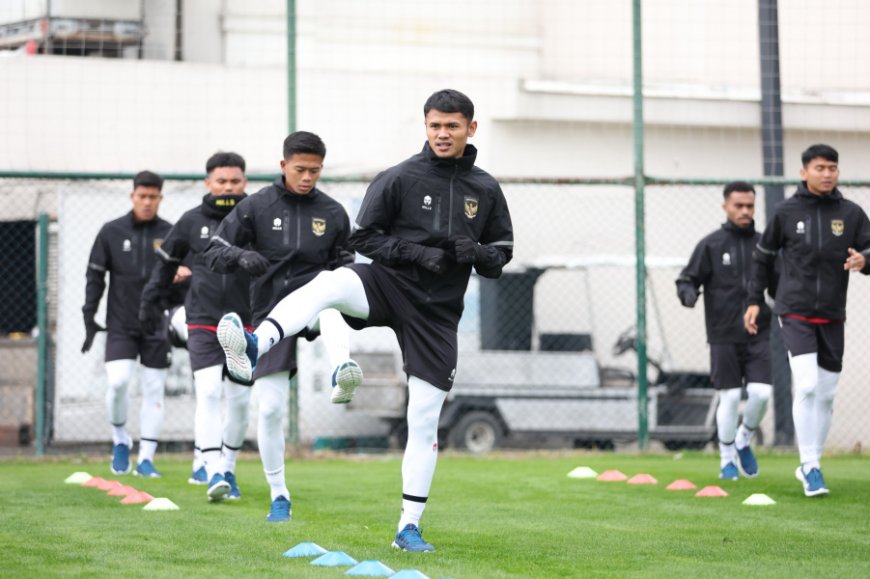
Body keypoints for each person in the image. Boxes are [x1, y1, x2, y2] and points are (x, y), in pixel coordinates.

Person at [214, 89, 514, 551]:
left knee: (424, 418)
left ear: (471, 129)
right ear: (425, 126)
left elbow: (501, 256)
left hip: (437, 315)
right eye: (435, 124)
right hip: (388, 286)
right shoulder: (399, 178)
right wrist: (415, 253)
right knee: (330, 283)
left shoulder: (487, 189)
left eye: (452, 126)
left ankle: (408, 528)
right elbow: (366, 239)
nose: (442, 133)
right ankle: (256, 343)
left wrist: (472, 252)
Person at [203, 131, 362, 522]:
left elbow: (347, 264)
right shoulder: (255, 207)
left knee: (331, 301)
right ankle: (280, 495)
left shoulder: (334, 212)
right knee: (271, 409)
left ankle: (342, 368)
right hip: (271, 314)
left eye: (315, 170)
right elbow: (213, 250)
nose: (307, 177)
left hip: (318, 305)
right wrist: (242, 257)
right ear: (283, 166)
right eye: (300, 169)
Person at [744, 144, 870, 497]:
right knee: (808, 385)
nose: (827, 173)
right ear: (804, 172)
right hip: (794, 310)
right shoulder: (786, 213)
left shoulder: (852, 213)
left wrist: (865, 260)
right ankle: (810, 464)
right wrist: (755, 300)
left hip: (832, 314)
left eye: (833, 167)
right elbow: (762, 259)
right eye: (820, 167)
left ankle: (811, 463)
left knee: (826, 396)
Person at [140, 152, 253, 502]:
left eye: (235, 181)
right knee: (207, 393)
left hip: (246, 322)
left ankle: (229, 467)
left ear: (244, 182)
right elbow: (165, 266)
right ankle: (213, 470)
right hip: (202, 320)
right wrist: (150, 302)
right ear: (208, 183)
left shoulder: (257, 217)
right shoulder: (190, 222)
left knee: (239, 402)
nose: (229, 187)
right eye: (221, 181)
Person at [82, 170, 188, 478]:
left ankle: (146, 459)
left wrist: (179, 301)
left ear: (160, 199)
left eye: (152, 197)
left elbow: (185, 280)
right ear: (132, 196)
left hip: (157, 325)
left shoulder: (172, 233)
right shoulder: (111, 232)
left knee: (154, 389)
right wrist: (89, 316)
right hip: (121, 324)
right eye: (142, 196)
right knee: (117, 383)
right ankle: (120, 440)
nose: (147, 202)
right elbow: (95, 277)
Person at [676, 182, 774, 480]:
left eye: (750, 206)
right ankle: (727, 458)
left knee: (761, 393)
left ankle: (744, 436)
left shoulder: (764, 245)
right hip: (722, 334)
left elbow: (784, 284)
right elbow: (686, 279)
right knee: (730, 398)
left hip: (759, 332)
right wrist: (688, 294)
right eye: (738, 206)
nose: (745, 211)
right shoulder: (711, 245)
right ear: (726, 207)